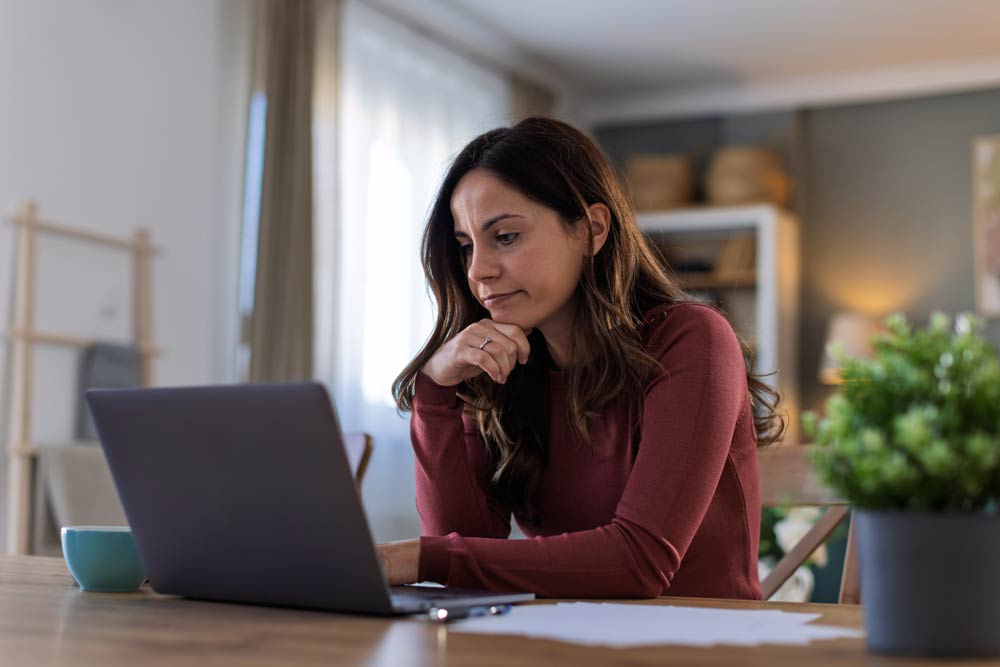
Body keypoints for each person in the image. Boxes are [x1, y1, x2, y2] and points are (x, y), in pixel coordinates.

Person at [383, 117, 784, 599]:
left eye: (505, 237)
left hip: (701, 644)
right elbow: (466, 545)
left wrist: (417, 558)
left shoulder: (693, 340)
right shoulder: (508, 367)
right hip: (562, 639)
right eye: (466, 246)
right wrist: (435, 393)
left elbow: (639, 562)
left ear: (592, 229)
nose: (479, 271)